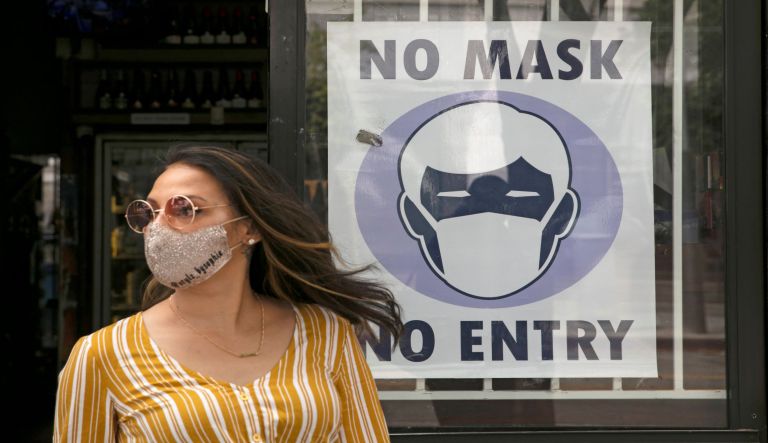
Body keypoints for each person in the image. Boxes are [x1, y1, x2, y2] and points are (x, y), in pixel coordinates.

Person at [53, 145, 403, 442]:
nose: (158, 228)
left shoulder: (326, 332)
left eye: (184, 208)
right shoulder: (102, 355)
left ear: (249, 227)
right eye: (148, 213)